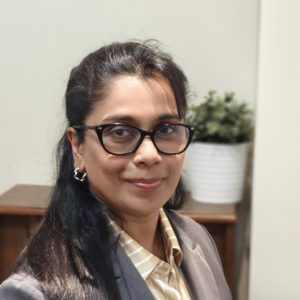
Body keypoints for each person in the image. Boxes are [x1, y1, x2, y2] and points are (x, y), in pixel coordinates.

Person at [0, 41, 231, 300]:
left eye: (166, 129)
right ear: (78, 146)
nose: (150, 155)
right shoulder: (35, 292)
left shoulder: (196, 238)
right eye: (120, 132)